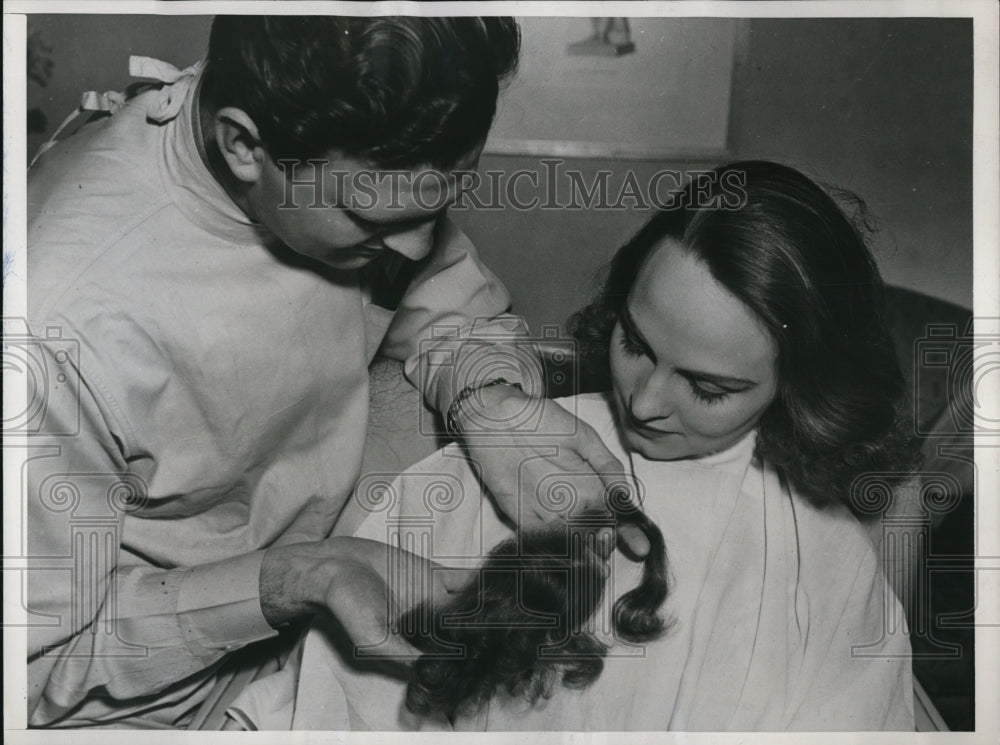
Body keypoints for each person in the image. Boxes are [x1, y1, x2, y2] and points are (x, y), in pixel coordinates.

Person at [24, 16, 642, 728]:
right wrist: (288, 581)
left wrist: (484, 397)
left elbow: (452, 306)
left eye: (442, 203)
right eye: (367, 219)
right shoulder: (60, 320)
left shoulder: (340, 139)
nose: (415, 244)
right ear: (244, 145)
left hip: (312, 585)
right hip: (140, 701)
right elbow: (32, 667)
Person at [243, 160, 919, 731]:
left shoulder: (829, 558)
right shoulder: (500, 465)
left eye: (707, 388)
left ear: (798, 385)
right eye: (635, 342)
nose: (646, 403)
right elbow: (347, 706)